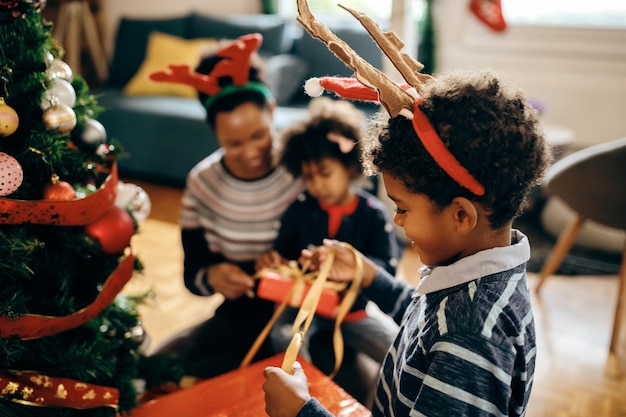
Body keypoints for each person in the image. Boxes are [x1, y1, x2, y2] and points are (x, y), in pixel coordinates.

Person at [262, 69, 552, 417]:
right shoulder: (471, 280)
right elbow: (423, 321)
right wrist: (369, 276)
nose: (397, 220)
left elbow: (444, 329)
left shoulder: (470, 335)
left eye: (402, 207)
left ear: (461, 215)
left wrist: (301, 412)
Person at [149, 33, 304, 378]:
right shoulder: (203, 184)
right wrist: (212, 276)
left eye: (259, 135)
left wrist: (291, 265)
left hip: (306, 316)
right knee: (173, 371)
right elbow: (194, 274)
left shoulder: (302, 171)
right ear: (214, 133)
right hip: (241, 314)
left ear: (273, 110)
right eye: (233, 143)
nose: (250, 153)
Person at [255, 96, 401, 370]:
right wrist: (276, 261)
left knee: (398, 348)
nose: (316, 184)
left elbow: (386, 270)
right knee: (285, 337)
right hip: (303, 307)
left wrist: (353, 267)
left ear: (348, 166)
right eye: (309, 176)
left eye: (324, 173)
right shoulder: (299, 208)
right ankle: (302, 401)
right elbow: (283, 252)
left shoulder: (373, 213)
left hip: (352, 310)